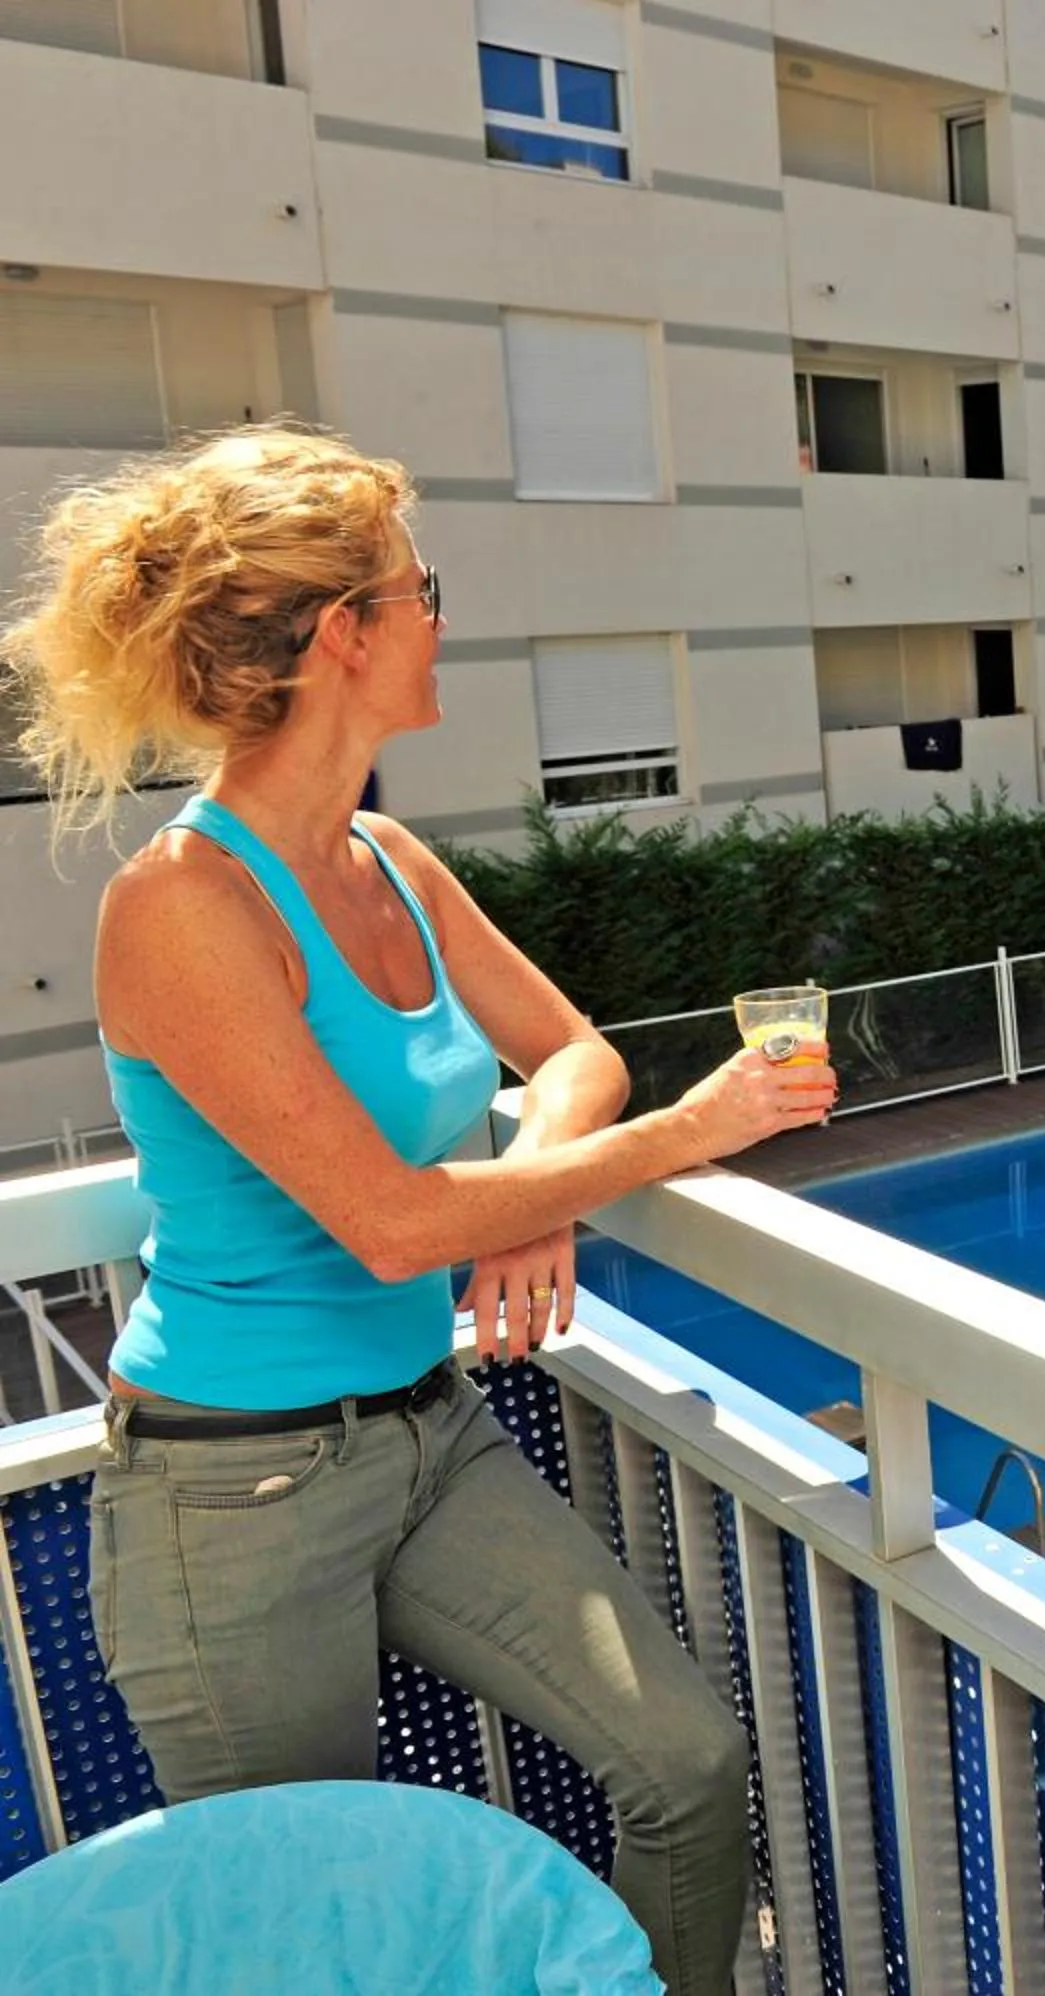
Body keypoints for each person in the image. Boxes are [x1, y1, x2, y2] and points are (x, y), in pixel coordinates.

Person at [1, 426, 837, 1995]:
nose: (441, 614)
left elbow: (570, 1051)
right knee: (309, 1944)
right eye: (420, 588)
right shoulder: (185, 906)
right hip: (228, 1500)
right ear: (345, 636)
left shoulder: (386, 856)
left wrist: (523, 1205)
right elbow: (391, 1221)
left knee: (685, 1766)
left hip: (424, 1434)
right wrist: (674, 1138)